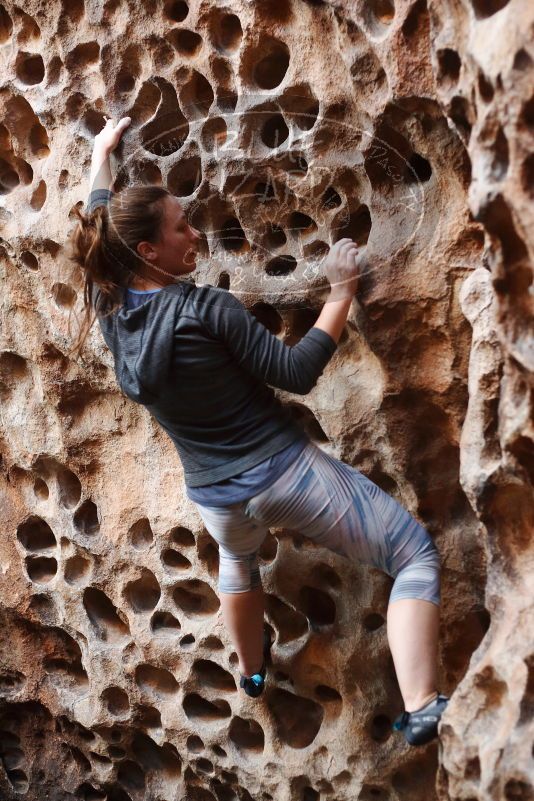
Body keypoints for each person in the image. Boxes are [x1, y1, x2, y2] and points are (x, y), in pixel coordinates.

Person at [67, 116, 449, 747]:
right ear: (148, 252)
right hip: (284, 477)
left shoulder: (108, 308)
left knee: (239, 561)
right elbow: (296, 373)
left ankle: (249, 673)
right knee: (413, 554)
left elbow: (97, 221)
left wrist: (101, 154)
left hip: (213, 495)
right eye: (181, 227)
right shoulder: (206, 310)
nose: (195, 232)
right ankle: (424, 705)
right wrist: (340, 291)